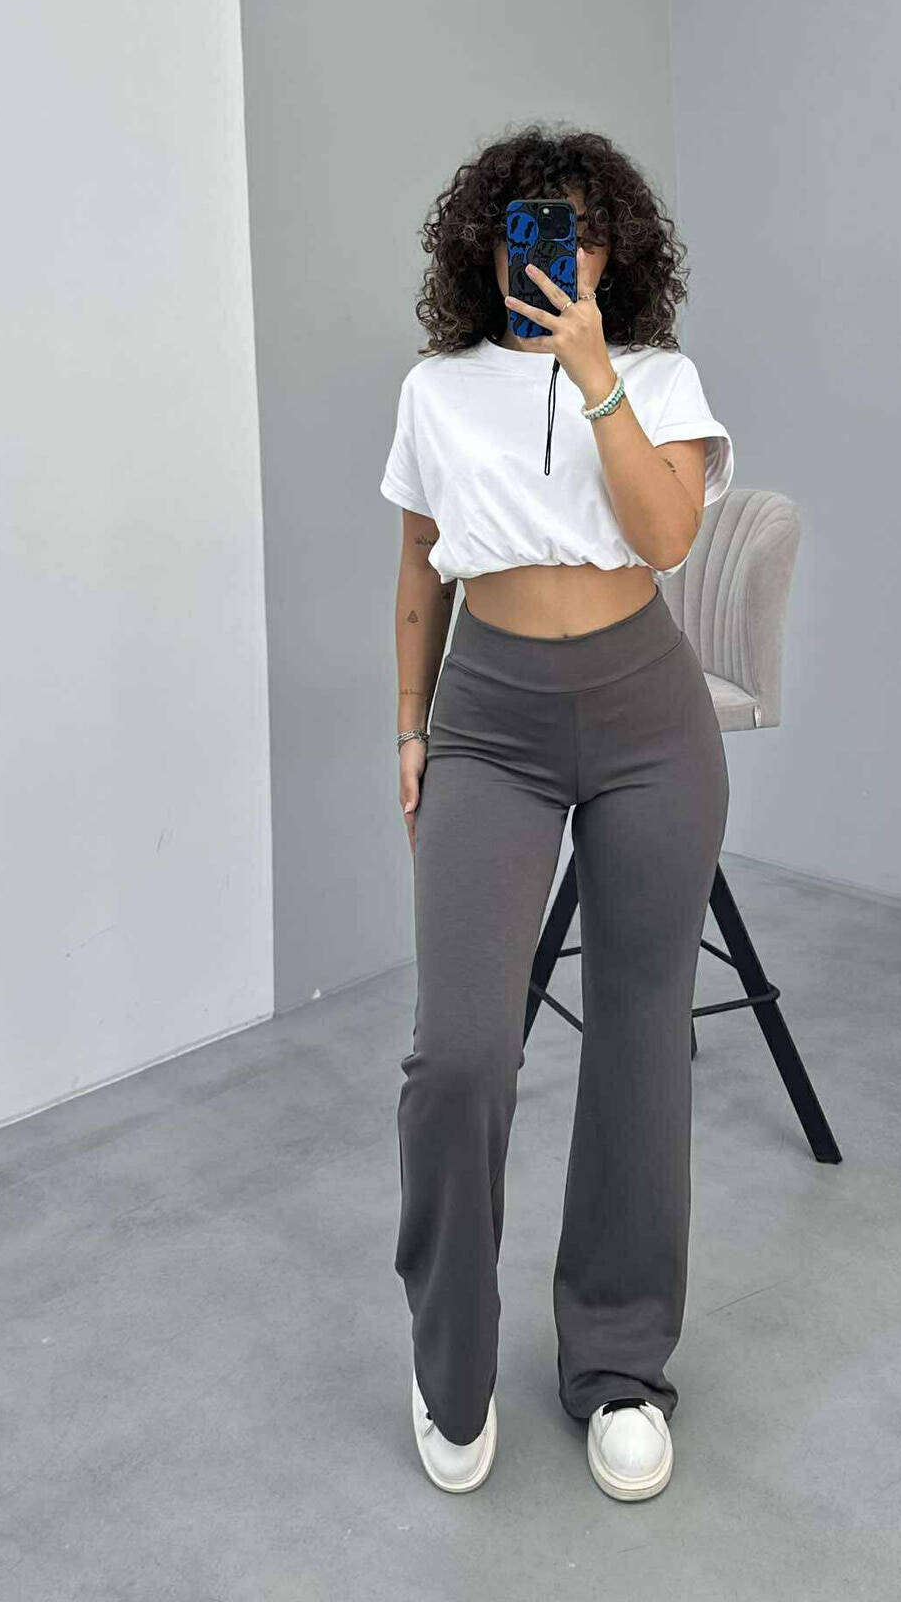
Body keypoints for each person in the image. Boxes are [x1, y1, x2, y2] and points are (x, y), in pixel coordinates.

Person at [379, 124, 733, 1501]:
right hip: (492, 717)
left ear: (613, 248)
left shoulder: (657, 376)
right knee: (461, 1053)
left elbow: (668, 535)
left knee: (642, 1037)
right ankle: (449, 1361)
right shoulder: (434, 390)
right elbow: (419, 568)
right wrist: (411, 725)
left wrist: (595, 378)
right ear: (487, 246)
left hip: (647, 712)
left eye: (581, 228)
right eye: (532, 226)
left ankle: (621, 1364)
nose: (556, 250)